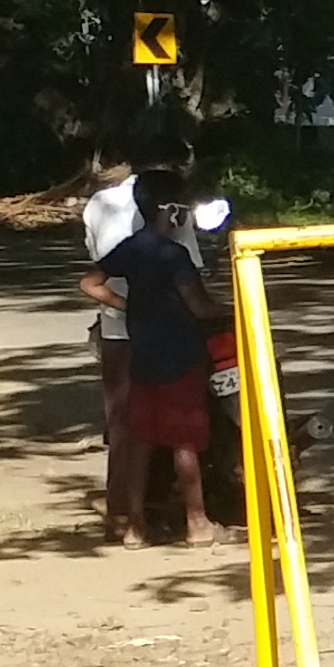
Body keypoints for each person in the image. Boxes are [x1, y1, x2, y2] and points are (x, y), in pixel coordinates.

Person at [82, 170, 231, 547]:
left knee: (142, 441)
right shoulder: (174, 254)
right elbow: (198, 307)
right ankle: (197, 523)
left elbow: (89, 283)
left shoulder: (133, 248)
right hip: (181, 355)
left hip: (143, 355)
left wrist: (126, 305)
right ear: (172, 211)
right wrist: (238, 311)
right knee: (185, 442)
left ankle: (135, 528)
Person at [75, 159, 149, 541]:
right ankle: (189, 516)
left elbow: (93, 272)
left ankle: (121, 512)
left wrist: (121, 306)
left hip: (117, 327)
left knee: (123, 423)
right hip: (161, 329)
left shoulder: (99, 204)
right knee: (171, 421)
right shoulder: (165, 203)